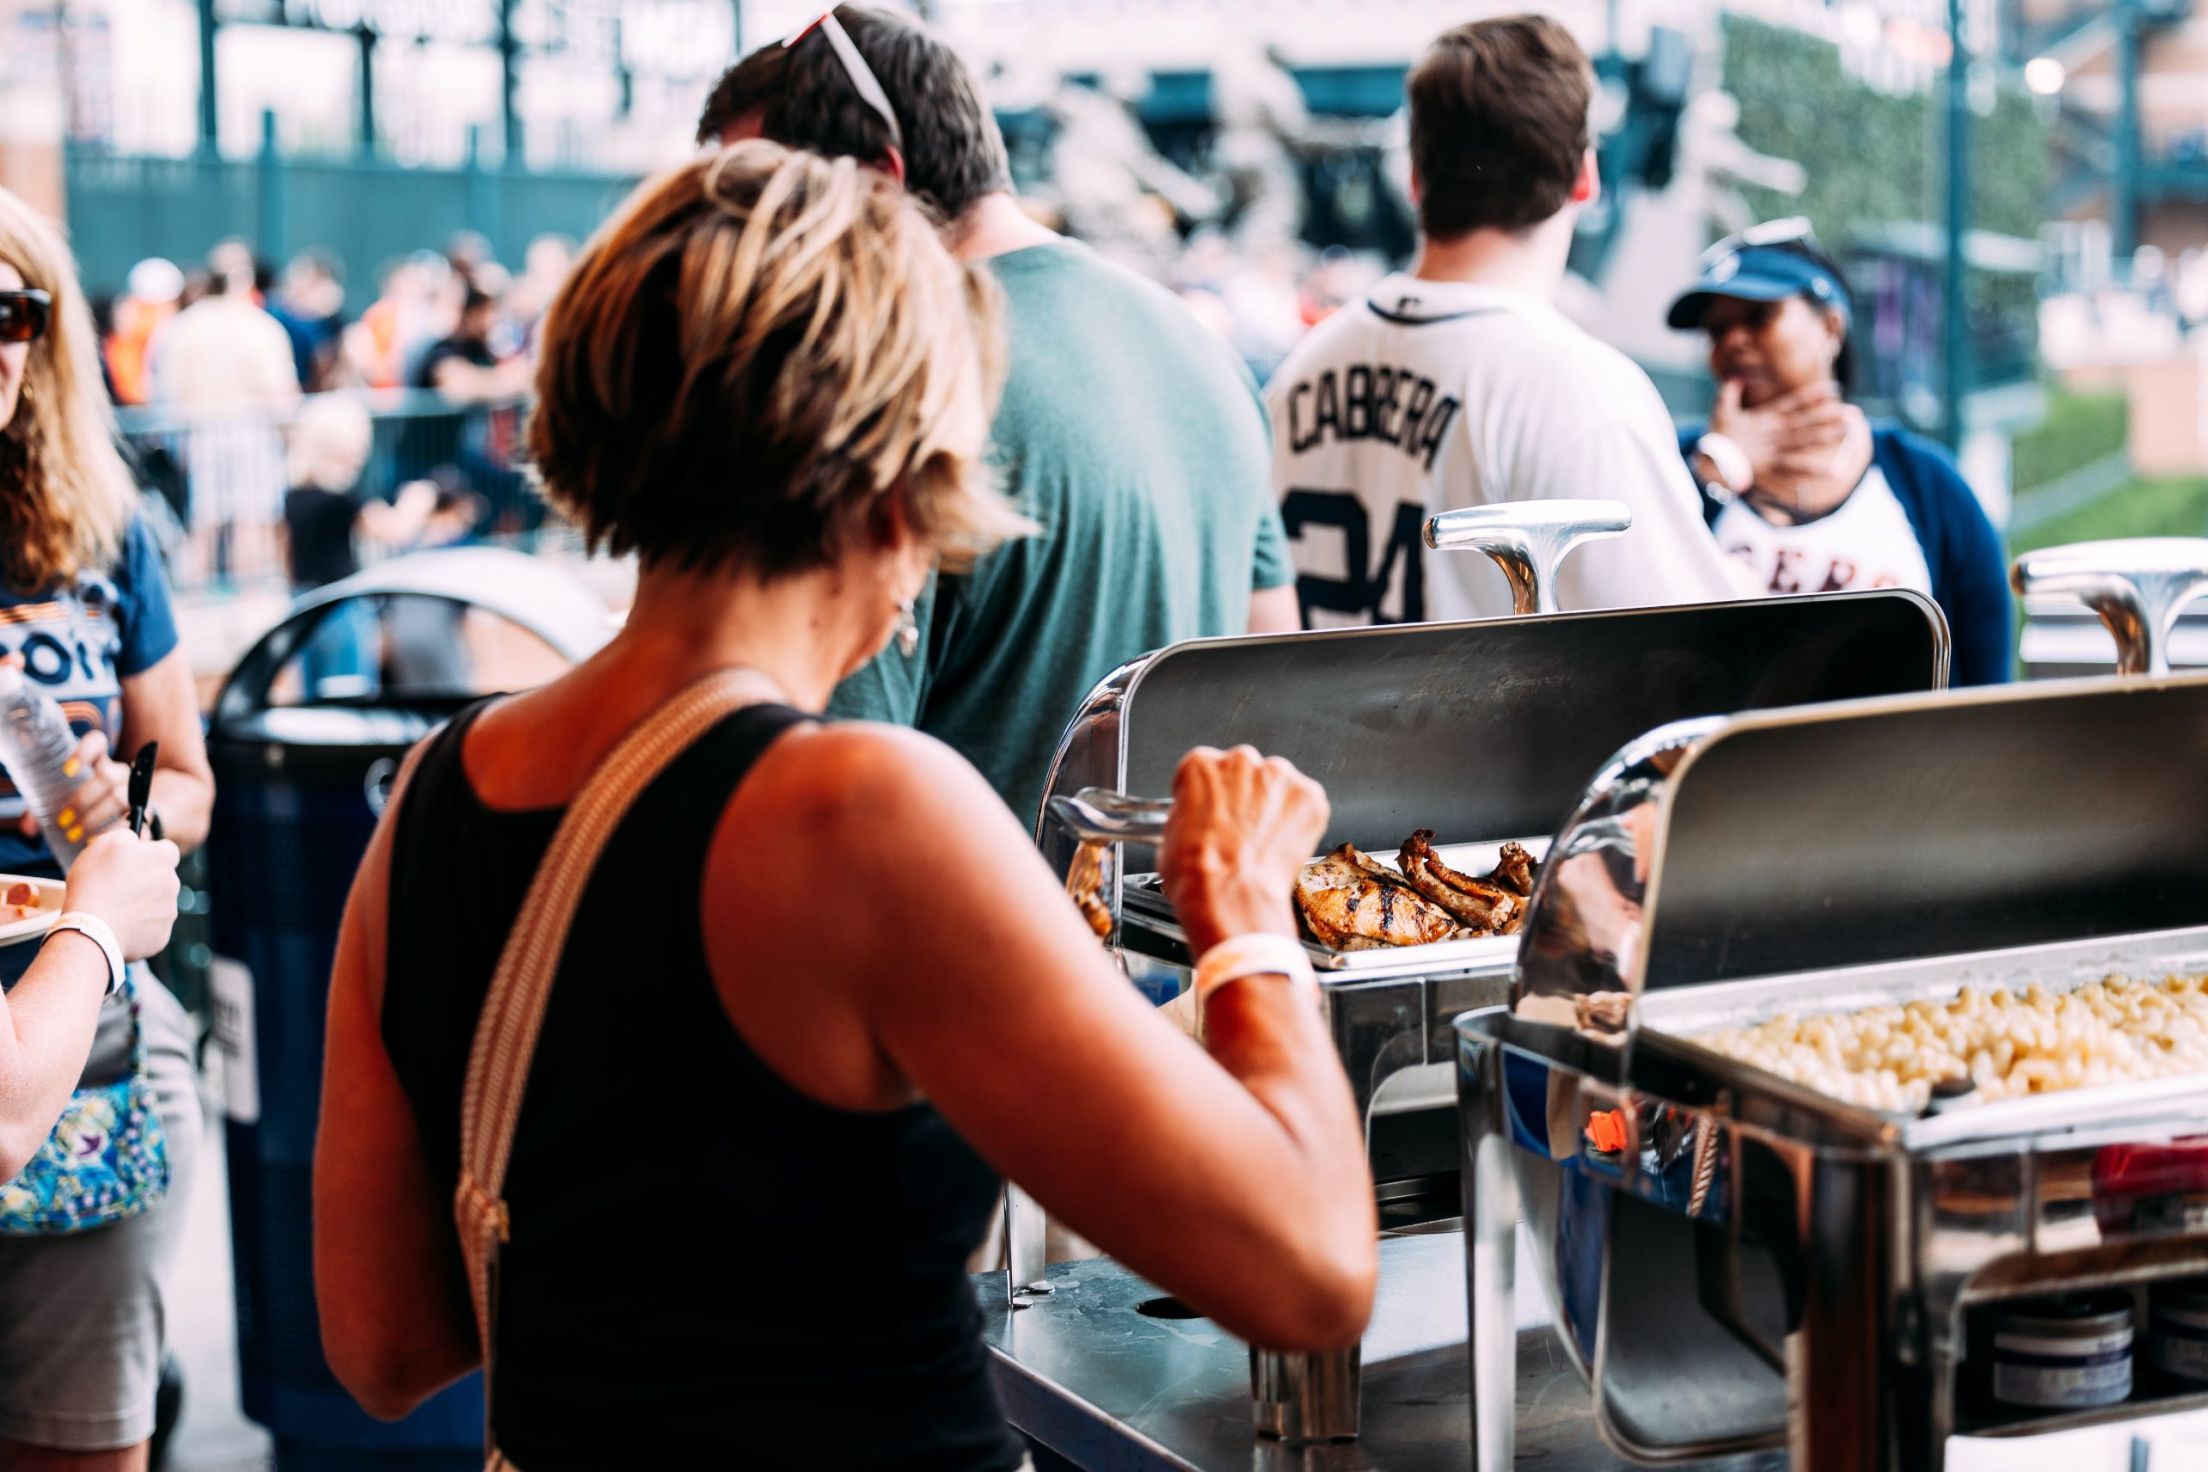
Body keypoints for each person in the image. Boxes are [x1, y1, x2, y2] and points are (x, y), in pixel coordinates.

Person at [313, 144, 1376, 1466]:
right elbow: (1312, 1270)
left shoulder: (435, 794)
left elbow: (384, 1341)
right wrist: (1248, 919)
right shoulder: (864, 815)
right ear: (897, 471)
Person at [698, 7, 1299, 829]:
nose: (758, 260)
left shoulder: (876, 386)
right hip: (1187, 930)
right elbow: (1272, 699)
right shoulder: (1207, 353)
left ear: (880, 177)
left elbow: (826, 799)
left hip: (948, 943)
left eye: (771, 214)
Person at [1265, 16, 1747, 627]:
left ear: (1415, 179)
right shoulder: (1578, 391)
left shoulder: (1299, 372)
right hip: (1478, 729)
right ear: (1584, 177)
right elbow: (1697, 655)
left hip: (1308, 725)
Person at [0, 183, 210, 1471]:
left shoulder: (103, 531)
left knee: (80, 1445)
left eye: (10, 312)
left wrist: (121, 847)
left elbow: (181, 771)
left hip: (100, 1045)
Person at [1668, 225, 2014, 685]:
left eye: (1758, 317)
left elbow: (1987, 684)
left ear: (1831, 327)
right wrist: (1718, 470)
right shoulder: (1679, 464)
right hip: (1722, 755)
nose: (1731, 341)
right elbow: (1640, 625)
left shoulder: (1924, 480)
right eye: (1716, 329)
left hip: (1895, 755)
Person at [150, 243, 300, 586]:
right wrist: (289, 433)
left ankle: (196, 596)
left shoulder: (184, 326)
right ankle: (247, 602)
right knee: (250, 520)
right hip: (250, 433)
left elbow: (167, 387)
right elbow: (278, 387)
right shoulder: (257, 325)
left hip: (200, 432)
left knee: (204, 520)